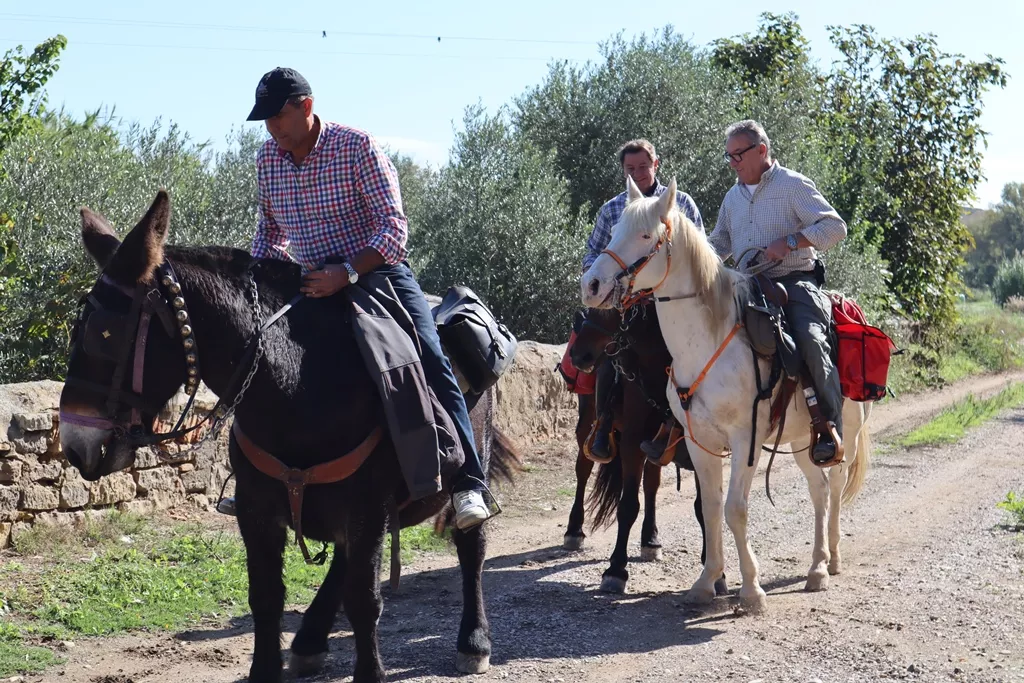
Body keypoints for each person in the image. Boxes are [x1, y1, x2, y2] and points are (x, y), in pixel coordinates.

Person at [236, 66, 494, 529]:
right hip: (309, 280)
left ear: (306, 108)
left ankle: (468, 483)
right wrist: (259, 279)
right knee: (260, 355)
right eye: (266, 122)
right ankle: (255, 483)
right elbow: (270, 233)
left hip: (377, 272)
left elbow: (394, 230)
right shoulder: (267, 160)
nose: (272, 129)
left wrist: (348, 271)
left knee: (429, 356)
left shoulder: (357, 147)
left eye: (278, 118)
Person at [708, 119, 848, 465]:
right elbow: (720, 242)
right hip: (746, 286)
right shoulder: (733, 196)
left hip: (794, 281)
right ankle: (688, 422)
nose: (733, 163)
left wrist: (789, 242)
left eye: (738, 155)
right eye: (729, 157)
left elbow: (835, 227)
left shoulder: (792, 184)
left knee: (811, 339)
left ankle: (829, 428)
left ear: (762, 150)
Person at [581, 139, 703, 461]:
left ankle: (683, 426)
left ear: (656, 165)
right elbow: (593, 253)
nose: (637, 174)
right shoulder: (612, 208)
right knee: (605, 346)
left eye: (643, 167)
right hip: (626, 301)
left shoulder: (681, 204)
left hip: (671, 301)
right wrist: (596, 280)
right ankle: (603, 423)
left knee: (693, 353)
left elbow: (700, 250)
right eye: (630, 169)